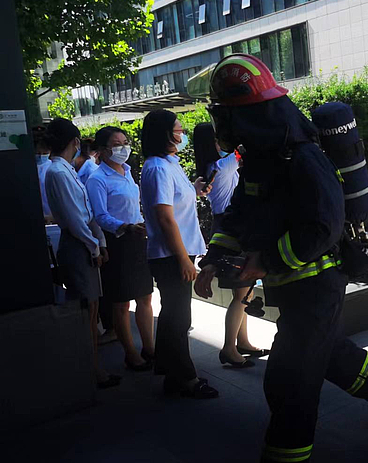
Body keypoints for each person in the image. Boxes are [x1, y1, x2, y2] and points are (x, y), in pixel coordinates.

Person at [193, 53, 368, 463]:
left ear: (245, 114)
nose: (221, 124)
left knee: (290, 385)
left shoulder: (303, 156)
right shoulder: (261, 157)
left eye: (225, 114)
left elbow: (324, 227)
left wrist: (267, 261)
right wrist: (215, 257)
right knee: (322, 354)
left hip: (317, 284)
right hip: (289, 286)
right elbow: (241, 212)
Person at [140, 109, 218, 399]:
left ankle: (171, 374)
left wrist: (194, 189)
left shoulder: (168, 164)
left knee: (175, 315)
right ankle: (186, 378)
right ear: (164, 133)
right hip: (171, 255)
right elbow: (165, 218)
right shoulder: (157, 168)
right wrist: (183, 258)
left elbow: (174, 202)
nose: (182, 134)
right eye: (178, 129)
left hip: (175, 253)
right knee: (178, 318)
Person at [43, 118, 120, 389]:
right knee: (86, 311)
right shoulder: (58, 172)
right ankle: (91, 370)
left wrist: (99, 242)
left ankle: (93, 367)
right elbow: (75, 219)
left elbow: (84, 214)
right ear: (75, 141)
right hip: (78, 245)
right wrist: (94, 246)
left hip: (83, 242)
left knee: (92, 308)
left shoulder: (65, 170)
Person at [193, 122, 266, 368]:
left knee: (244, 291)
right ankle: (228, 348)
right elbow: (245, 148)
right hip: (232, 228)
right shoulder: (224, 165)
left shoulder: (212, 167)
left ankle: (242, 342)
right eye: (217, 138)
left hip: (225, 224)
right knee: (242, 293)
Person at [86, 126, 155, 371]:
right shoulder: (97, 179)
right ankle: (131, 354)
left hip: (138, 239)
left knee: (145, 295)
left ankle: (149, 348)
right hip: (117, 241)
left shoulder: (127, 171)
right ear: (102, 150)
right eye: (116, 145)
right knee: (121, 301)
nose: (123, 148)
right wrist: (124, 226)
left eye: (125, 143)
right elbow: (100, 215)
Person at [33, 125, 53, 223]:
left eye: (45, 152)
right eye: (37, 152)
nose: (41, 154)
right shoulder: (25, 168)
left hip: (52, 219)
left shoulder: (54, 168)